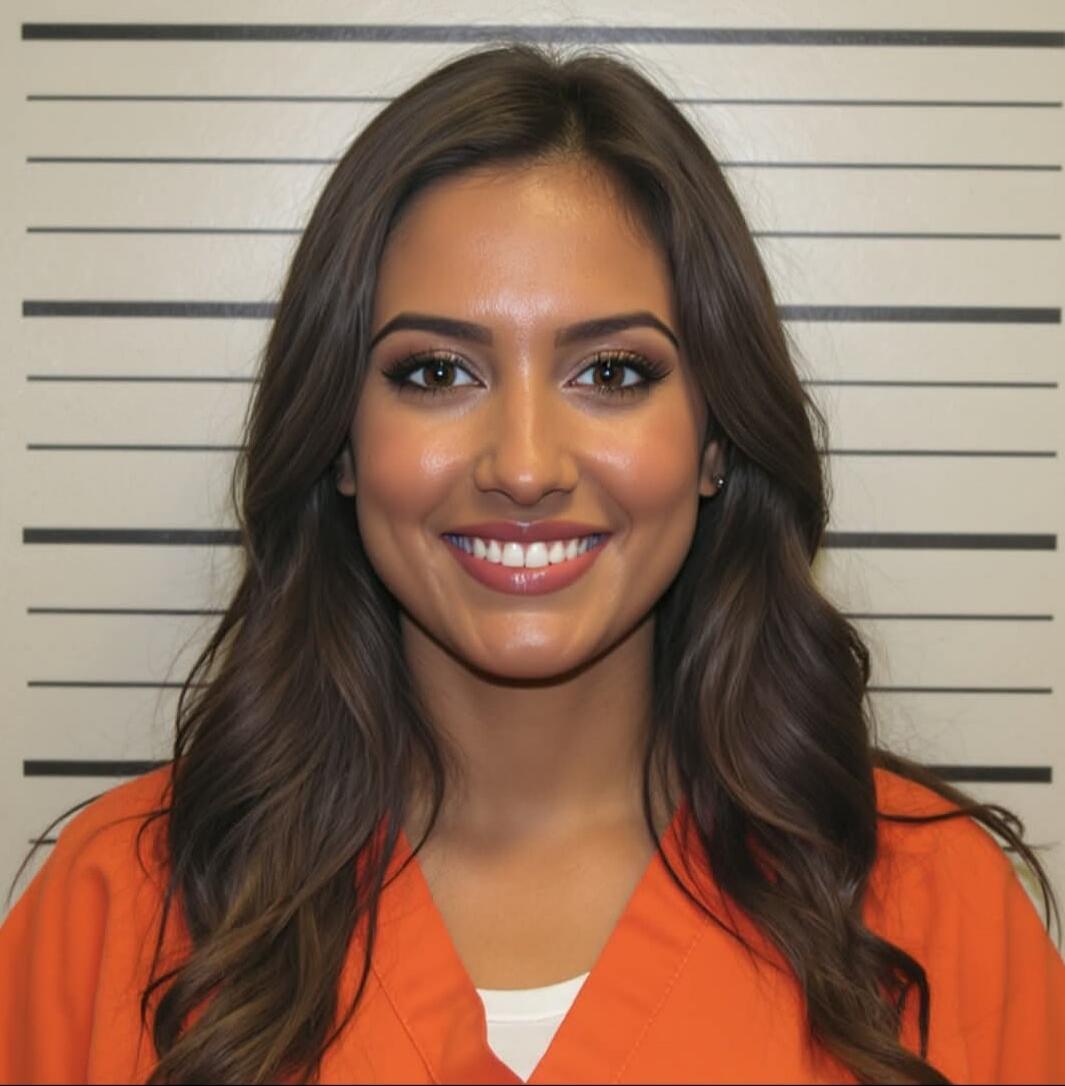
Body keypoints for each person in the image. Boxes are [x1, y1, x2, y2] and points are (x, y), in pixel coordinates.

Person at [1, 41, 1063, 1086]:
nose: (522, 465)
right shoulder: (117, 908)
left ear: (717, 440)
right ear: (337, 443)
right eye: (433, 371)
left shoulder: (933, 910)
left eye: (610, 371)